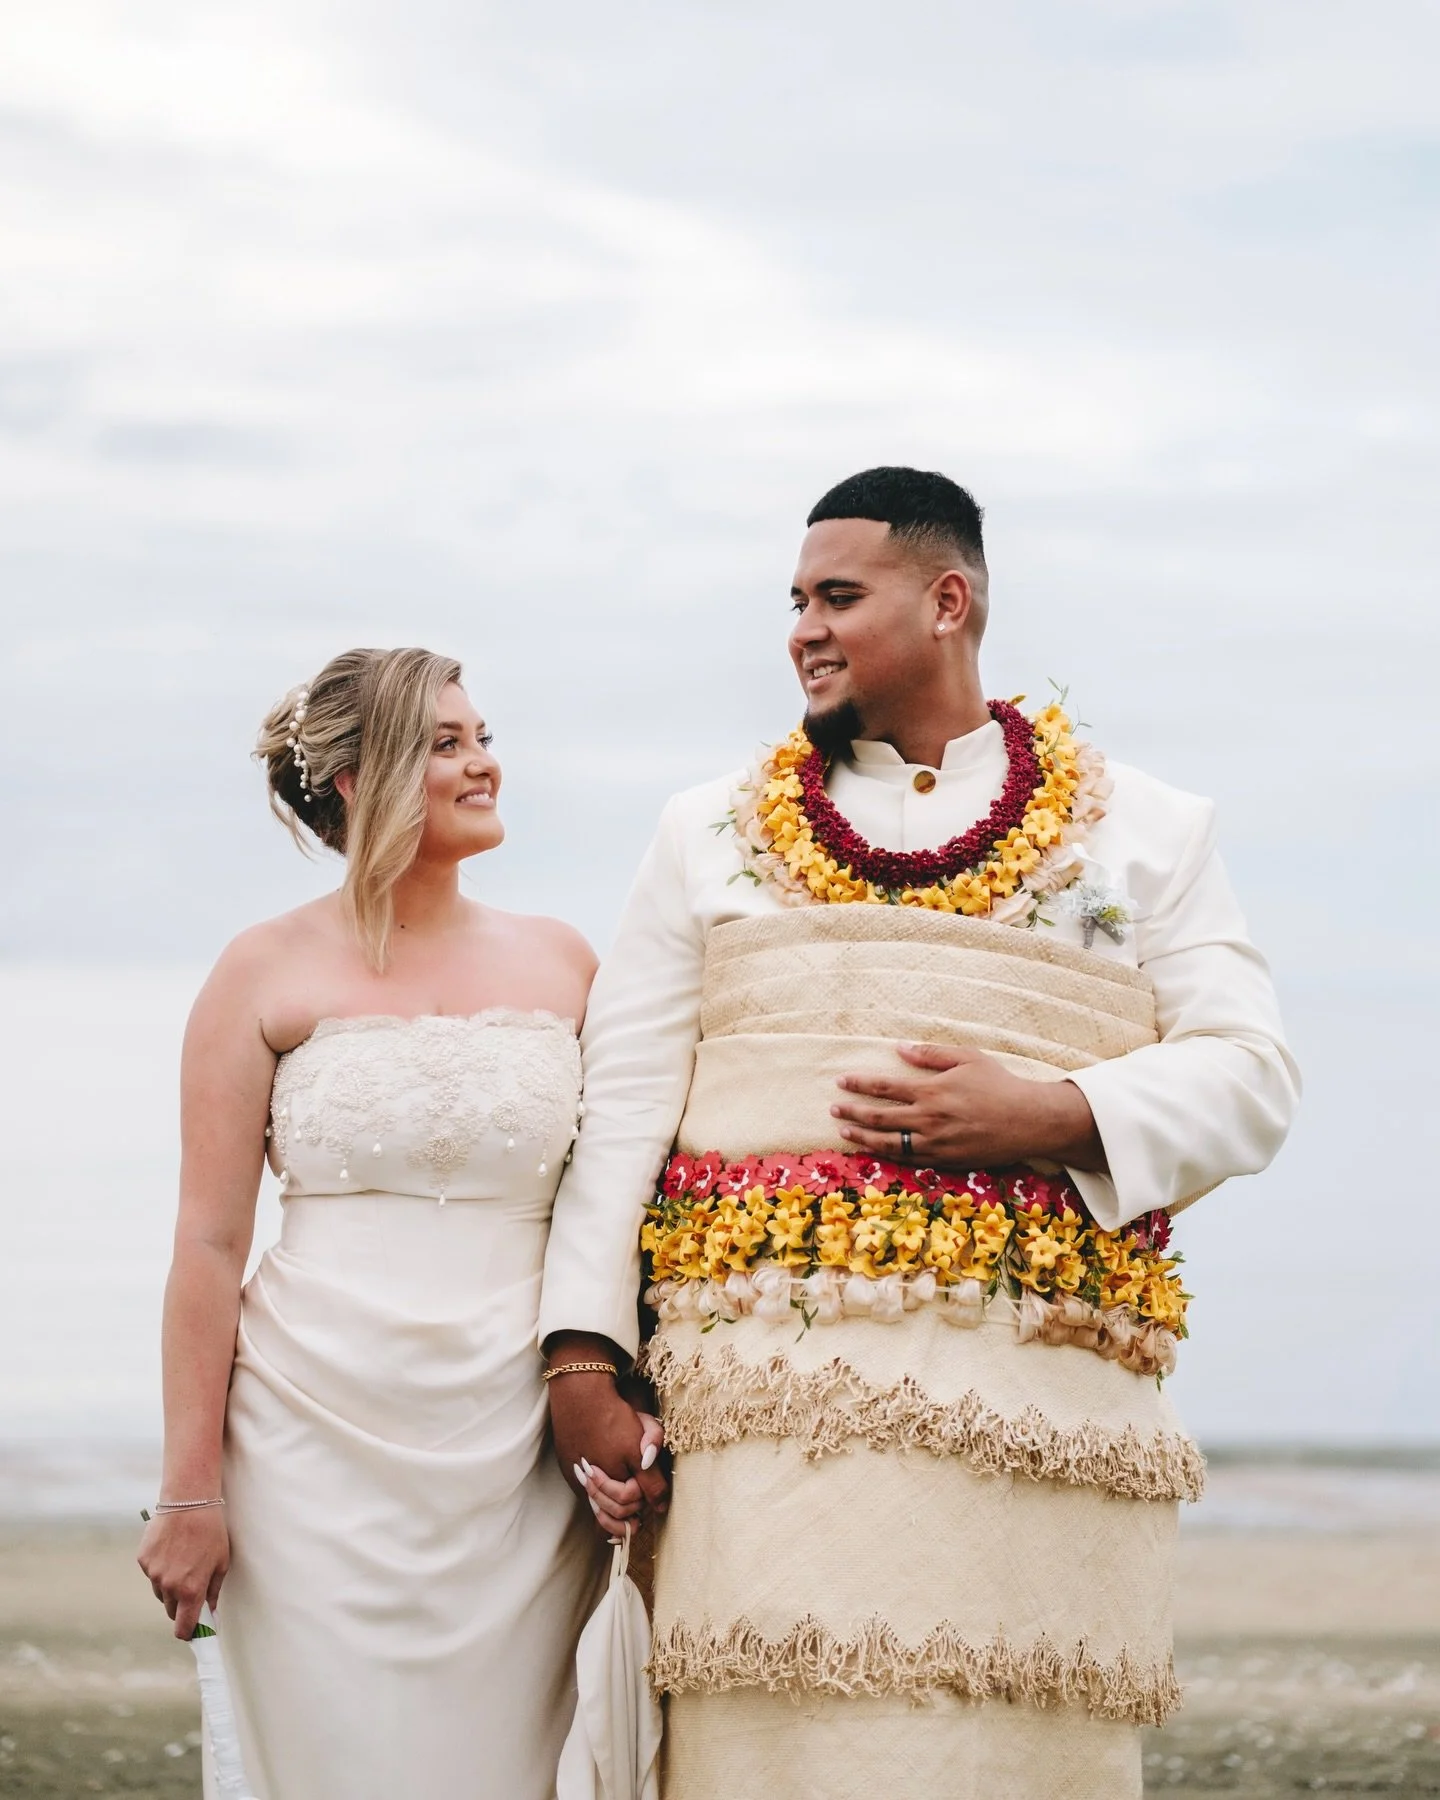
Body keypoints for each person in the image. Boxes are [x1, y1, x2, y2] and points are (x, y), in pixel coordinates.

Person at [544, 470, 1300, 1799]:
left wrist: (1047, 1114)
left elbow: (1251, 1078)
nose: (802, 629)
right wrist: (582, 1359)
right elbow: (625, 1109)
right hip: (765, 1430)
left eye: (838, 595)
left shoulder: (1146, 831)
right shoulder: (705, 836)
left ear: (950, 601)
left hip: (1038, 1431)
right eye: (795, 601)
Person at [137, 646, 648, 1800]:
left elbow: (624, 1205)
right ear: (358, 782)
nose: (485, 764)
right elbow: (208, 1247)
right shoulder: (257, 971)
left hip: (516, 1446)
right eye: (447, 744)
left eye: (483, 737)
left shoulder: (565, 962)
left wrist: (620, 1398)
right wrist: (188, 1492)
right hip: (307, 1438)